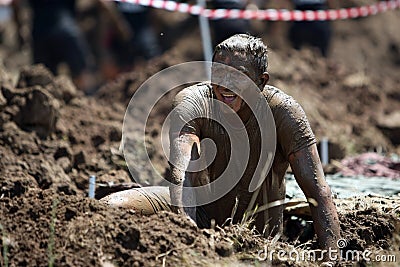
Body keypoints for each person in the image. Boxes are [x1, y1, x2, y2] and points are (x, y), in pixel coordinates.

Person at [102, 34, 340, 254]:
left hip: (260, 234)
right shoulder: (193, 102)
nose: (225, 85)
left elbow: (317, 191)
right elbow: (181, 174)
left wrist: (333, 257)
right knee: (109, 207)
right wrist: (189, 240)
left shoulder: (283, 112)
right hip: (200, 215)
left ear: (260, 82)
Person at [12, 0, 96, 92]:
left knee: (45, 84)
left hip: (40, 34)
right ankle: (86, 100)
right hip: (67, 31)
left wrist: (19, 29)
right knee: (82, 77)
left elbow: (15, 3)